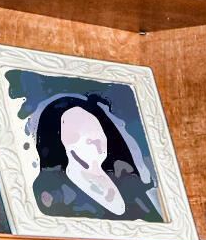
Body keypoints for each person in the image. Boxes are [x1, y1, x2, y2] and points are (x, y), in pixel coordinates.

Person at [31, 93, 162, 222]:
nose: (93, 139)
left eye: (94, 127)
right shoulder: (53, 193)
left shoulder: (126, 180)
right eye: (78, 132)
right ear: (57, 141)